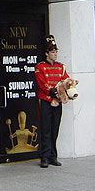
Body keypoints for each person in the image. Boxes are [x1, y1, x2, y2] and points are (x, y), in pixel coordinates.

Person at [34, 35, 69, 168]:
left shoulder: (61, 67)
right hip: (46, 101)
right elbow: (42, 84)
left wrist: (68, 88)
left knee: (55, 130)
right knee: (46, 129)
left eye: (56, 52)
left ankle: (53, 156)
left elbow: (66, 81)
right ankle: (44, 157)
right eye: (53, 52)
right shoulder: (40, 67)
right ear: (46, 54)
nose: (55, 54)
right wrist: (55, 92)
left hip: (58, 102)